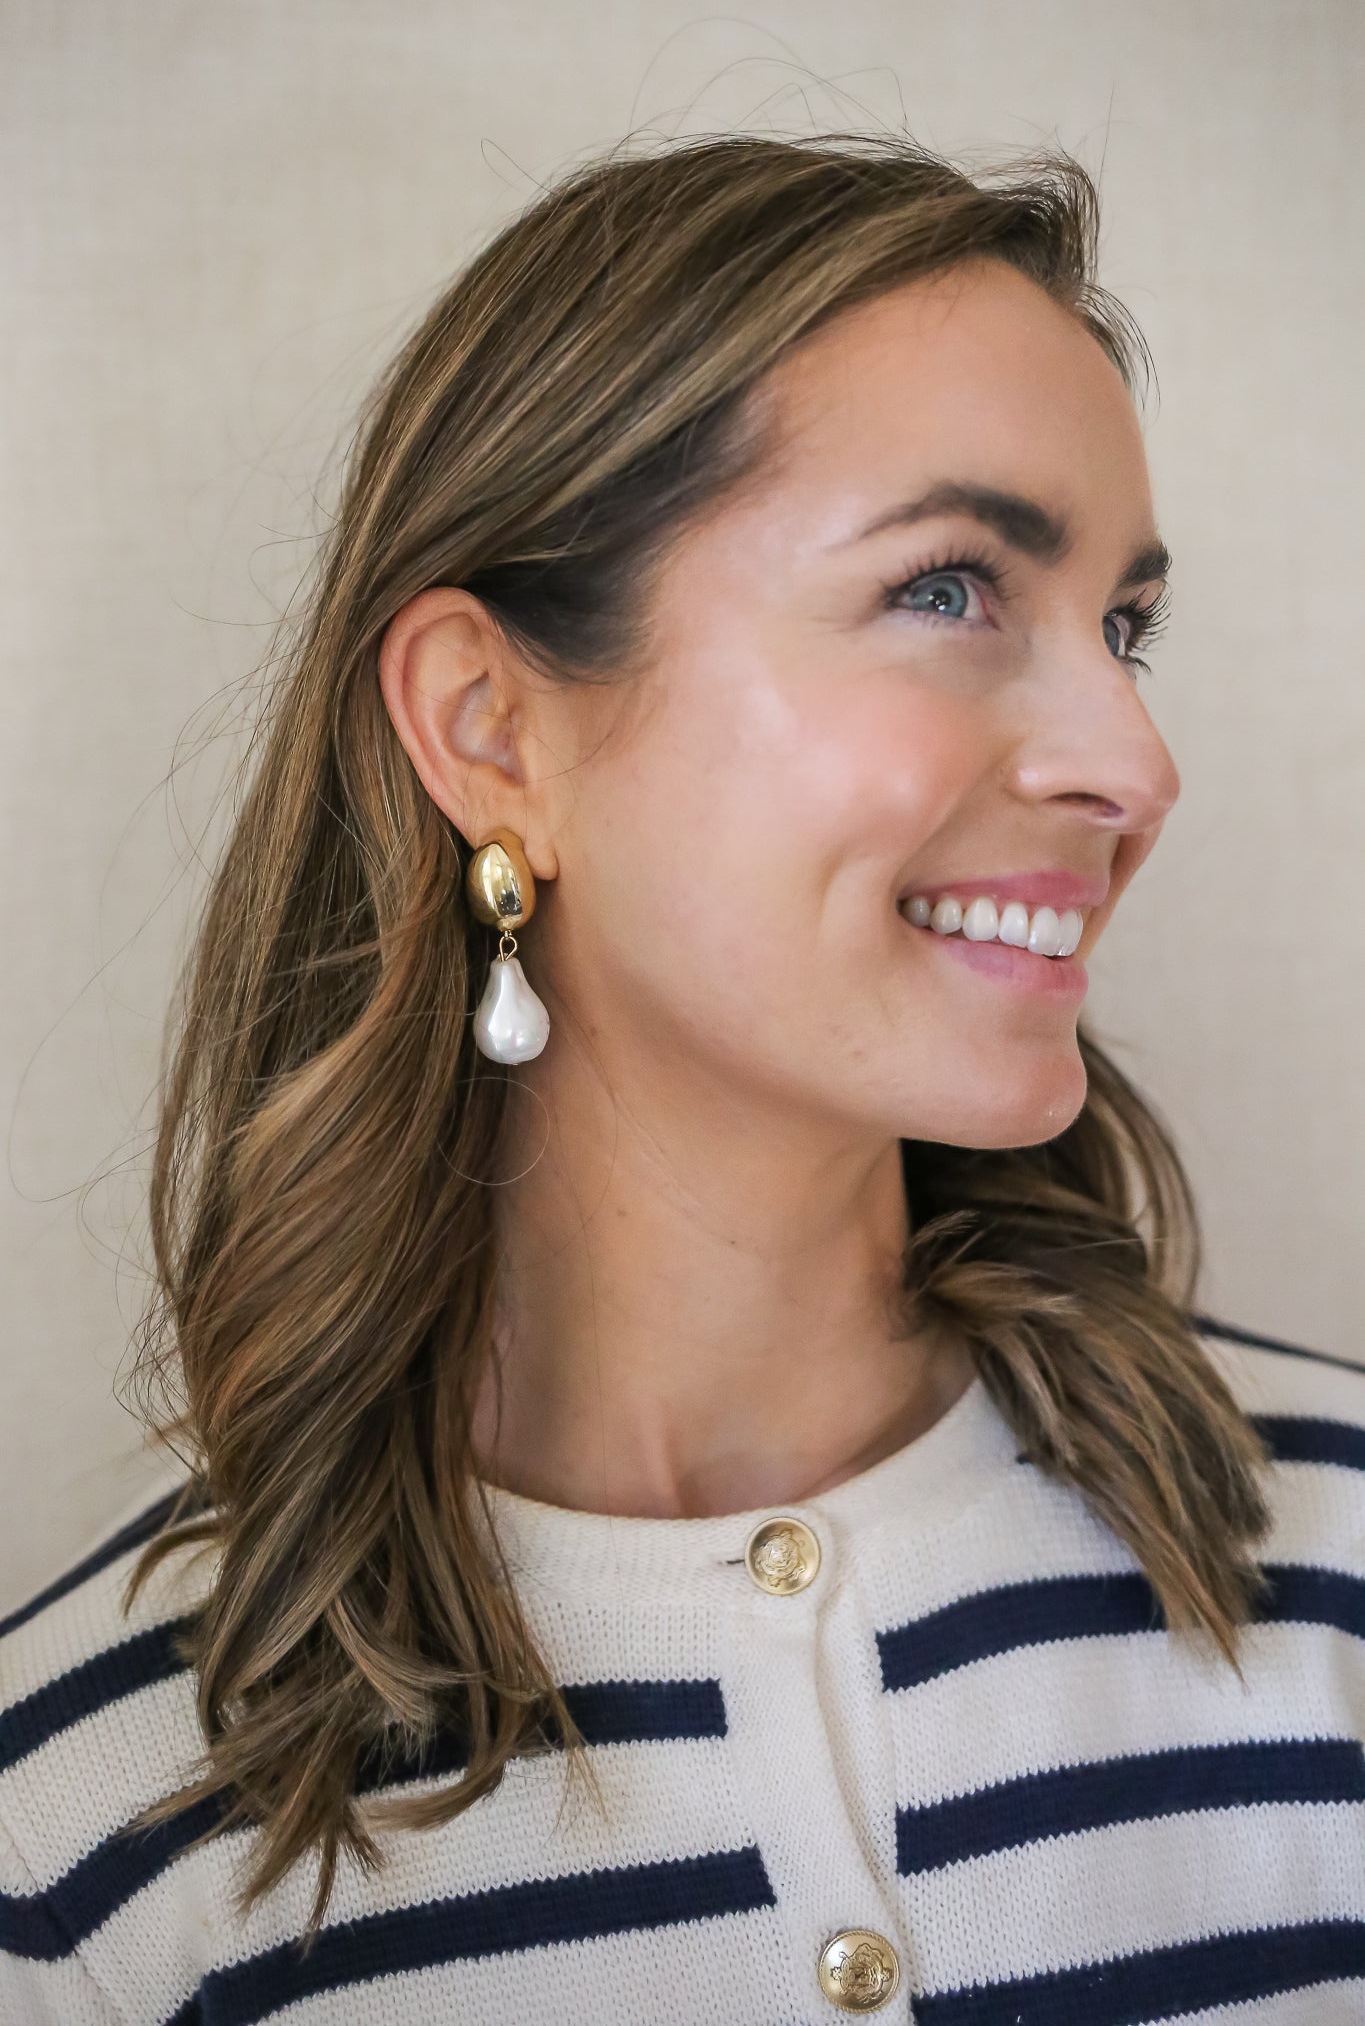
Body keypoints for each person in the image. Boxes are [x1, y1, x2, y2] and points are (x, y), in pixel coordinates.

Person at [2, 131, 1362, 2026]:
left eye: (1121, 628)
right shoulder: (82, 1850)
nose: (1134, 768)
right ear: (491, 729)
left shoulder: (1339, 1574)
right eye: (952, 587)